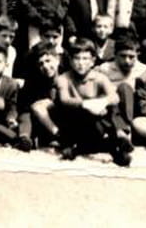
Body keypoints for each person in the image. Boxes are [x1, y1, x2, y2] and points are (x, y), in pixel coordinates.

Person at [55, 38, 133, 166]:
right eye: (77, 58)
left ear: (92, 61)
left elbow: (114, 97)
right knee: (75, 111)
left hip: (95, 123)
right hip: (75, 123)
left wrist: (102, 102)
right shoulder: (64, 78)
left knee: (110, 107)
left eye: (85, 59)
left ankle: (119, 138)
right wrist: (87, 104)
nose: (81, 63)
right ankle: (112, 147)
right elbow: (64, 99)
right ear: (70, 60)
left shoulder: (99, 77)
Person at [17, 42, 62, 151]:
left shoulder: (67, 75)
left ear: (57, 60)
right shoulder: (35, 81)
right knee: (35, 107)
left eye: (48, 61)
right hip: (44, 122)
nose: (45, 66)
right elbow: (27, 107)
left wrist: (52, 102)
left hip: (64, 116)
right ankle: (56, 136)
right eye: (41, 64)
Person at [96, 37, 146, 130]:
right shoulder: (105, 69)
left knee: (125, 88)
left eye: (131, 57)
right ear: (115, 55)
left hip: (136, 109)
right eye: (123, 56)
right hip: (113, 108)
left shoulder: (143, 70)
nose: (127, 61)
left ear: (137, 55)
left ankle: (126, 128)